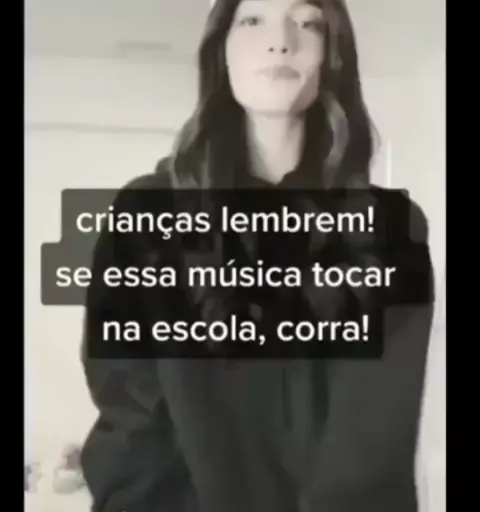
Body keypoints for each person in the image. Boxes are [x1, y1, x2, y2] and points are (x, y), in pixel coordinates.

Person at [80, 0, 435, 511]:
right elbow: (130, 412)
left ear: (333, 55)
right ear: (221, 52)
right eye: (252, 21)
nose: (280, 42)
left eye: (307, 23)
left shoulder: (392, 228)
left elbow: (376, 436)